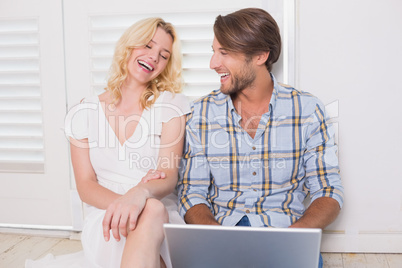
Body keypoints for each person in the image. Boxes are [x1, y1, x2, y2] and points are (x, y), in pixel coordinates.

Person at [177, 8, 344, 268]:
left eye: (224, 53)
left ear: (260, 56)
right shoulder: (202, 113)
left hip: (285, 231)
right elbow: (192, 193)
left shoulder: (307, 109)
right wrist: (215, 236)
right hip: (222, 232)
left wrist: (294, 238)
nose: (213, 63)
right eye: (213, 51)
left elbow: (328, 191)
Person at [26, 18, 190, 268]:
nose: (154, 57)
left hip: (160, 212)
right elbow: (86, 185)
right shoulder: (84, 112)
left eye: (164, 55)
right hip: (107, 214)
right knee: (144, 216)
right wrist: (125, 204)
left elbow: (168, 176)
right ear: (129, 46)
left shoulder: (171, 106)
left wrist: (139, 194)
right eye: (147, 45)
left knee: (154, 210)